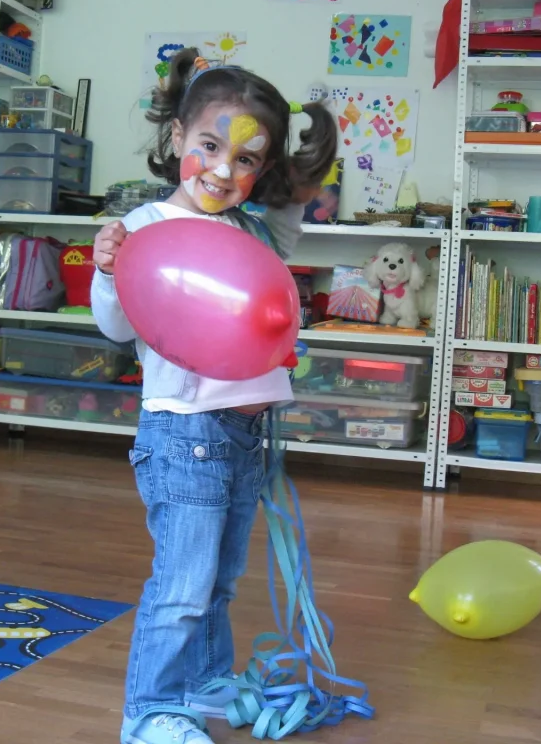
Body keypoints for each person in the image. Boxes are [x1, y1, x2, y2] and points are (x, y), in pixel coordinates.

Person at [90, 47, 338, 744]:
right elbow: (113, 328)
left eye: (247, 159)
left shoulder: (253, 229)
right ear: (175, 141)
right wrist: (108, 269)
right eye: (208, 146)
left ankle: (202, 683)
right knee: (182, 586)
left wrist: (305, 149)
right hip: (184, 433)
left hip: (245, 435)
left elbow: (288, 205)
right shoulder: (143, 228)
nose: (225, 170)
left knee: (219, 582)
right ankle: (149, 711)